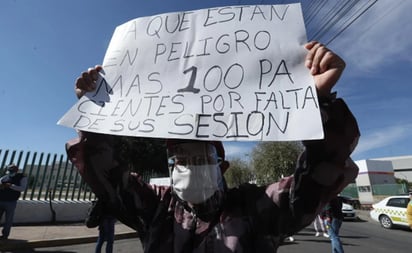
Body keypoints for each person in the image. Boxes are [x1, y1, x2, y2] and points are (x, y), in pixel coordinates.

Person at [66, 41, 360, 252]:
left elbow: (320, 172)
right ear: (169, 167)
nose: (188, 165)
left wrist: (316, 101)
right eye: (180, 158)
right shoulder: (155, 207)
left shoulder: (259, 207)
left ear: (223, 166)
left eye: (200, 157)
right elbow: (104, 174)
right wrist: (95, 110)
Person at [0, 164, 28, 240]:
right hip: (1, 199)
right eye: (9, 170)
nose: (10, 172)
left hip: (11, 201)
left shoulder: (22, 177)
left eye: (12, 170)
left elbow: (22, 188)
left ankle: (5, 235)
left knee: (8, 219)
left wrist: (11, 186)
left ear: (16, 170)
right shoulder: (5, 177)